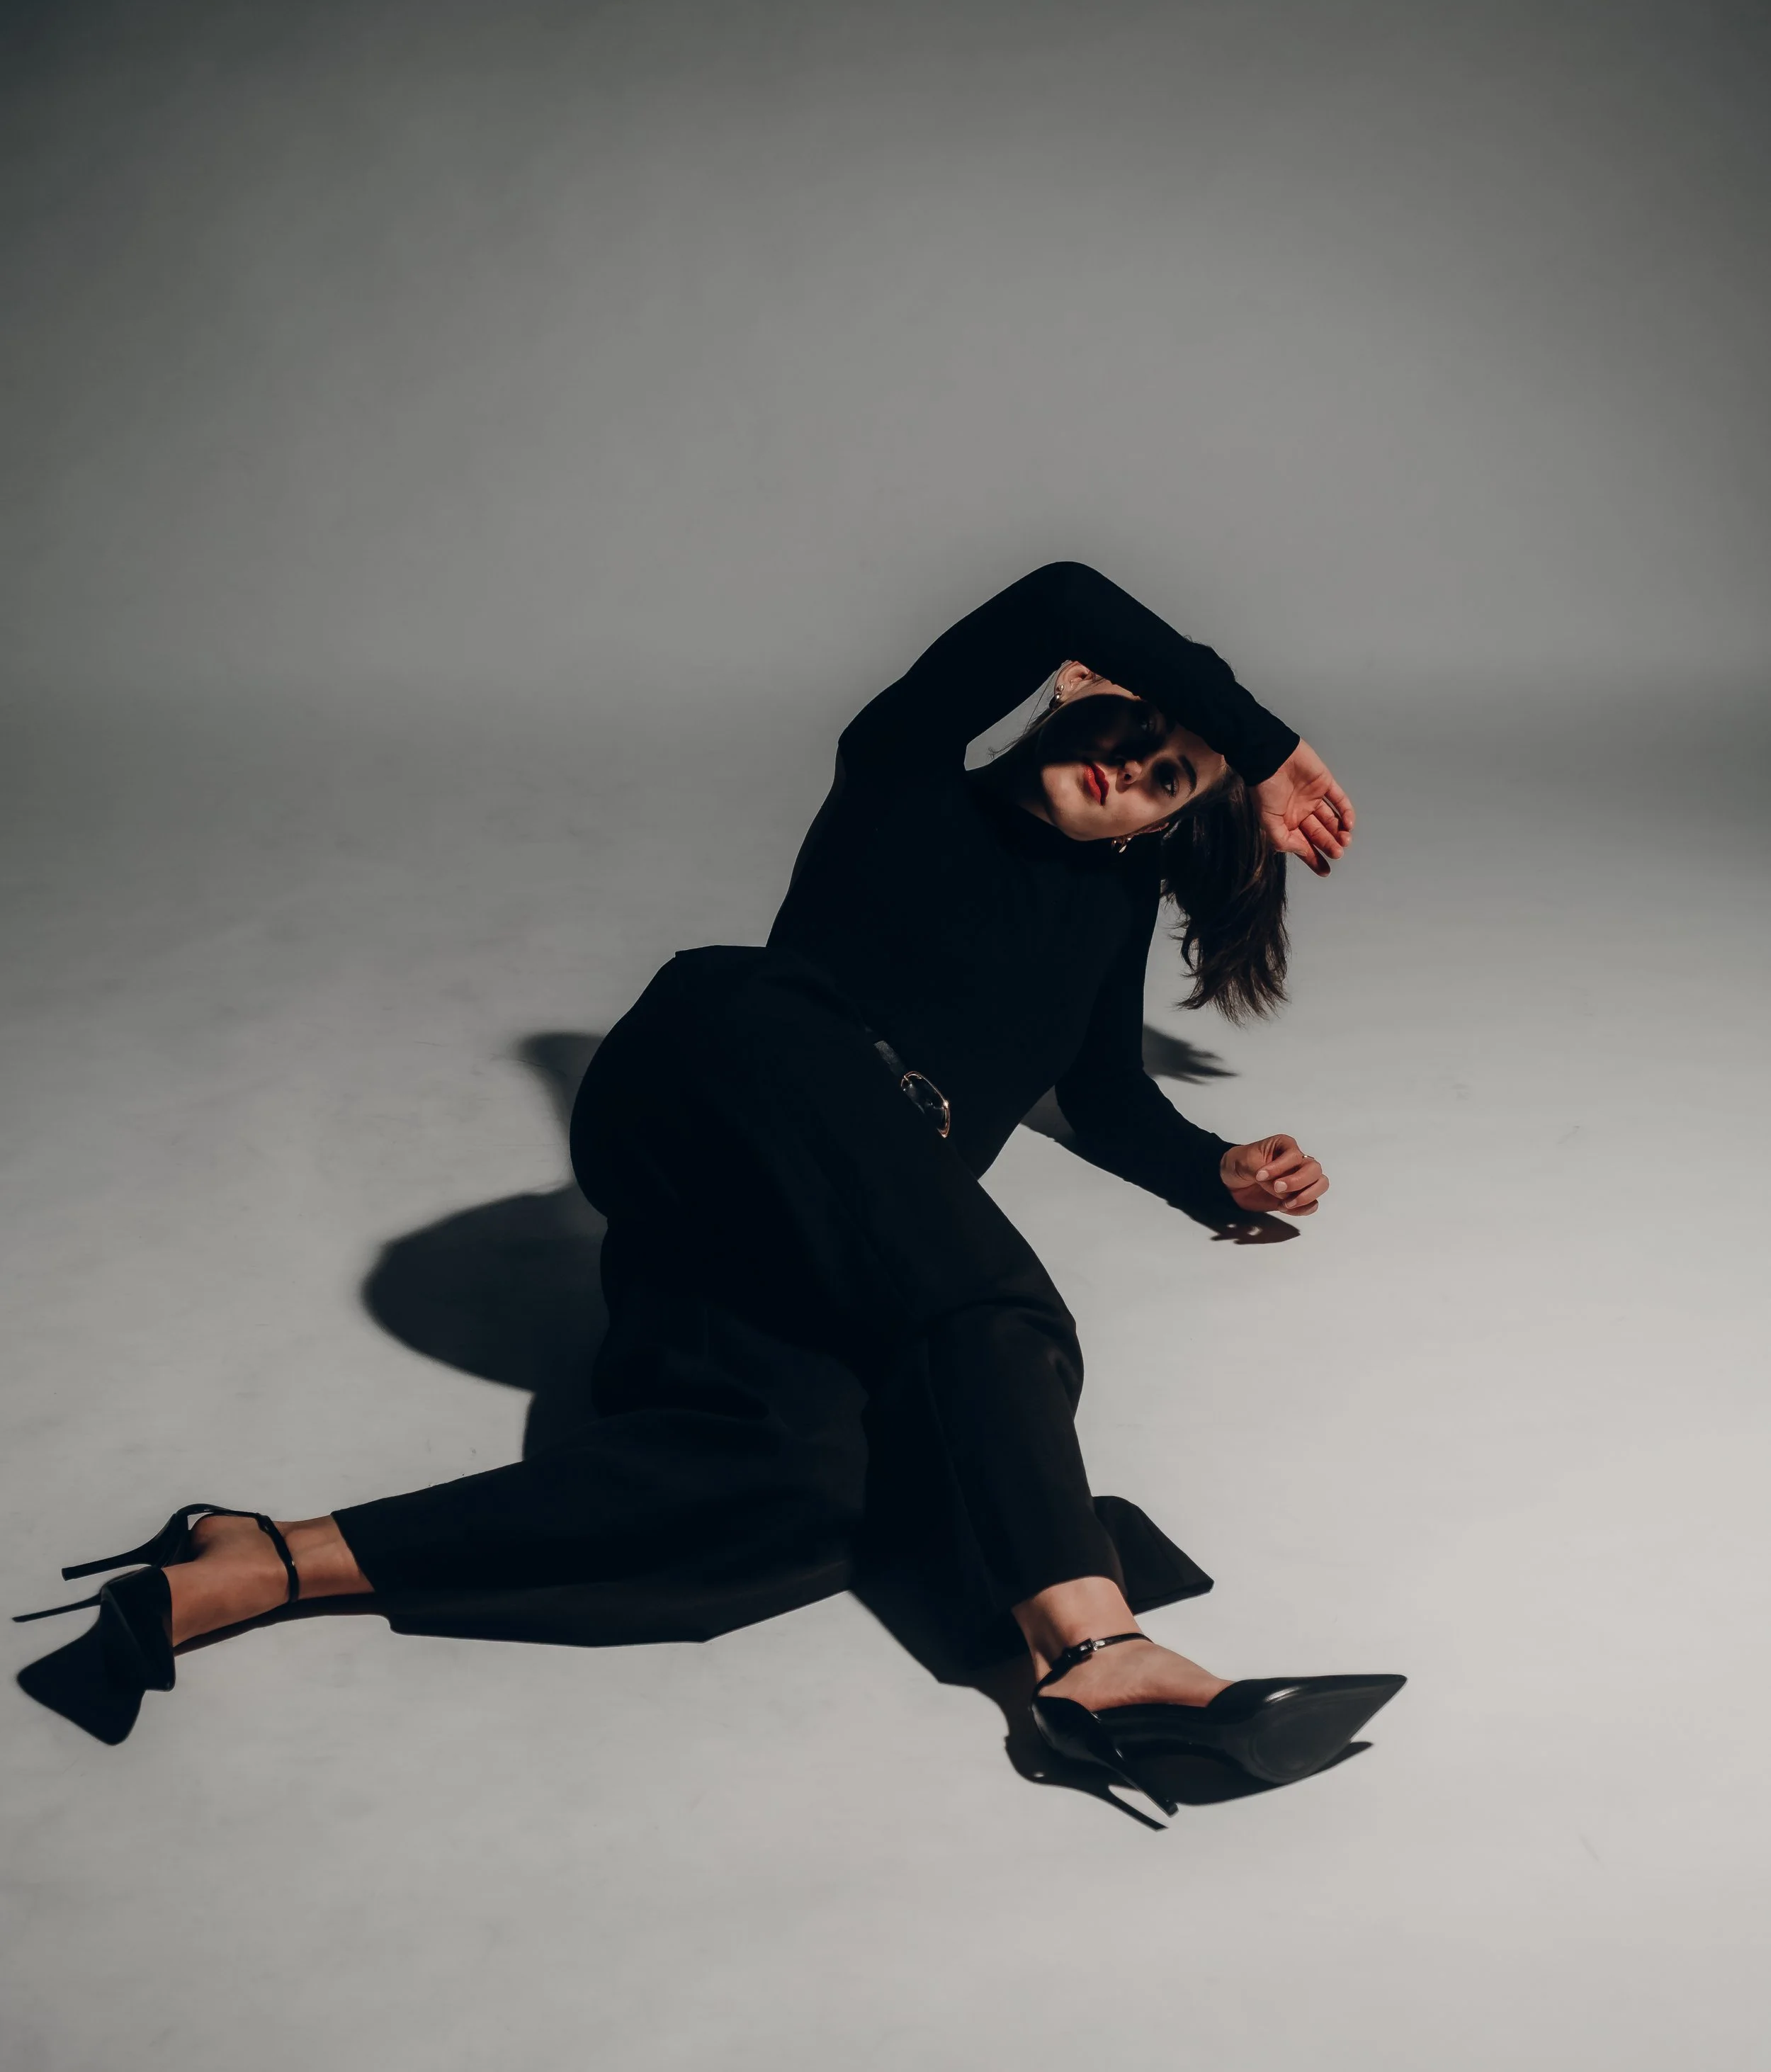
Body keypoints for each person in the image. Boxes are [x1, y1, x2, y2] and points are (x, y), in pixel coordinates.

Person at [18, 560, 1403, 1804]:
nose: (1129, 766)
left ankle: (263, 1553)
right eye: (1128, 726)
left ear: (1148, 837)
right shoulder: (908, 772)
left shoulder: (1102, 910)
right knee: (992, 1298)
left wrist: (1210, 1165)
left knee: (803, 1484)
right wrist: (1263, 742)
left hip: (796, 1240)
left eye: (1166, 777)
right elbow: (1054, 594)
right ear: (1079, 691)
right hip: (713, 1074)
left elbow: (1100, 1097)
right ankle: (1094, 1654)